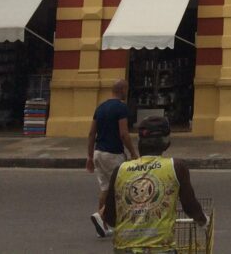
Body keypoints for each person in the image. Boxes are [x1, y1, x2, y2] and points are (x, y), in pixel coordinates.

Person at [104, 115, 207, 252]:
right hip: (161, 249)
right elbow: (189, 206)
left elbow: (110, 218)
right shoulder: (176, 167)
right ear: (166, 143)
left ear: (139, 142)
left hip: (124, 249)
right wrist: (203, 221)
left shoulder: (120, 170)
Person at [87, 79, 138, 237]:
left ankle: (104, 226)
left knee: (105, 188)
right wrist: (133, 153)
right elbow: (124, 134)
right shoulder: (121, 108)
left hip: (98, 153)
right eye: (126, 89)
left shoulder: (100, 107)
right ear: (122, 89)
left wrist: (89, 156)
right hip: (113, 154)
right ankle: (102, 216)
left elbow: (91, 133)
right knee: (121, 189)